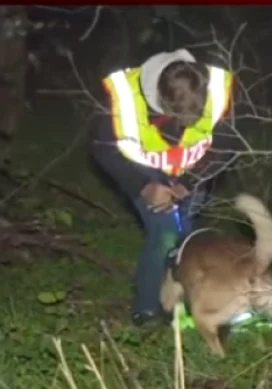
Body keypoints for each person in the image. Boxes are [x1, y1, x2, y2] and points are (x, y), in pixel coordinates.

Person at [90, 49, 241, 326]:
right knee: (166, 231)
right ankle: (146, 309)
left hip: (193, 169)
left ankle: (196, 301)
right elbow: (103, 150)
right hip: (143, 171)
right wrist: (144, 187)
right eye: (181, 119)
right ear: (160, 101)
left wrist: (189, 183)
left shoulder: (216, 92)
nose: (186, 127)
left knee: (188, 233)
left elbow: (227, 145)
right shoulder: (124, 98)